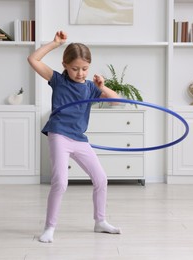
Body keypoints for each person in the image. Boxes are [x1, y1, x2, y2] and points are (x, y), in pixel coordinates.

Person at [27, 30, 121, 243]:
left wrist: (102, 87)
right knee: (60, 181)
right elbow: (33, 59)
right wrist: (55, 43)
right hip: (59, 134)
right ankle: (49, 228)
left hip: (79, 138)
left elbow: (117, 101)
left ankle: (100, 222)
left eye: (85, 69)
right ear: (65, 65)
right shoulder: (58, 81)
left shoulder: (90, 87)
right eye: (75, 68)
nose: (80, 73)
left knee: (101, 179)